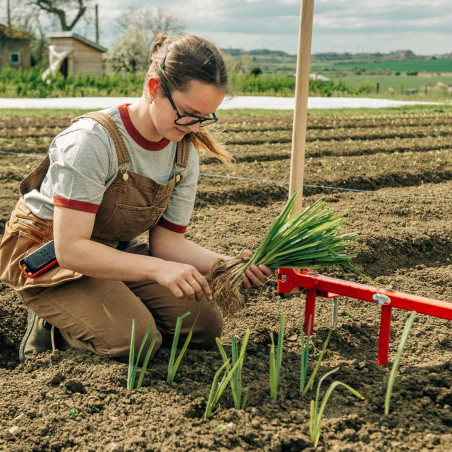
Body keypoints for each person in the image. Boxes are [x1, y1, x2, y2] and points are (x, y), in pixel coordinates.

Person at [0, 34, 272, 364]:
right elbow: (69, 248)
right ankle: (52, 325)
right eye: (188, 113)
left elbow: (168, 244)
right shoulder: (93, 140)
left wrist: (225, 264)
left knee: (204, 326)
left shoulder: (183, 150)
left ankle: (113, 304)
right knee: (138, 341)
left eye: (205, 117)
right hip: (48, 256)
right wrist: (156, 270)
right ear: (155, 87)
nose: (195, 127)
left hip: (109, 251)